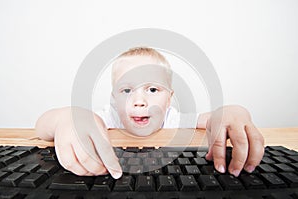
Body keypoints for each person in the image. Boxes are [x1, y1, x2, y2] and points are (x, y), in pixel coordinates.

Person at [35, 47, 264, 179]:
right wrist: (69, 116)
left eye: (153, 89)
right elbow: (41, 127)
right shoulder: (104, 120)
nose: (139, 101)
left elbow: (215, 119)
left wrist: (233, 111)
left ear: (169, 98)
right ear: (114, 98)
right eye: (126, 90)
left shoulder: (175, 120)